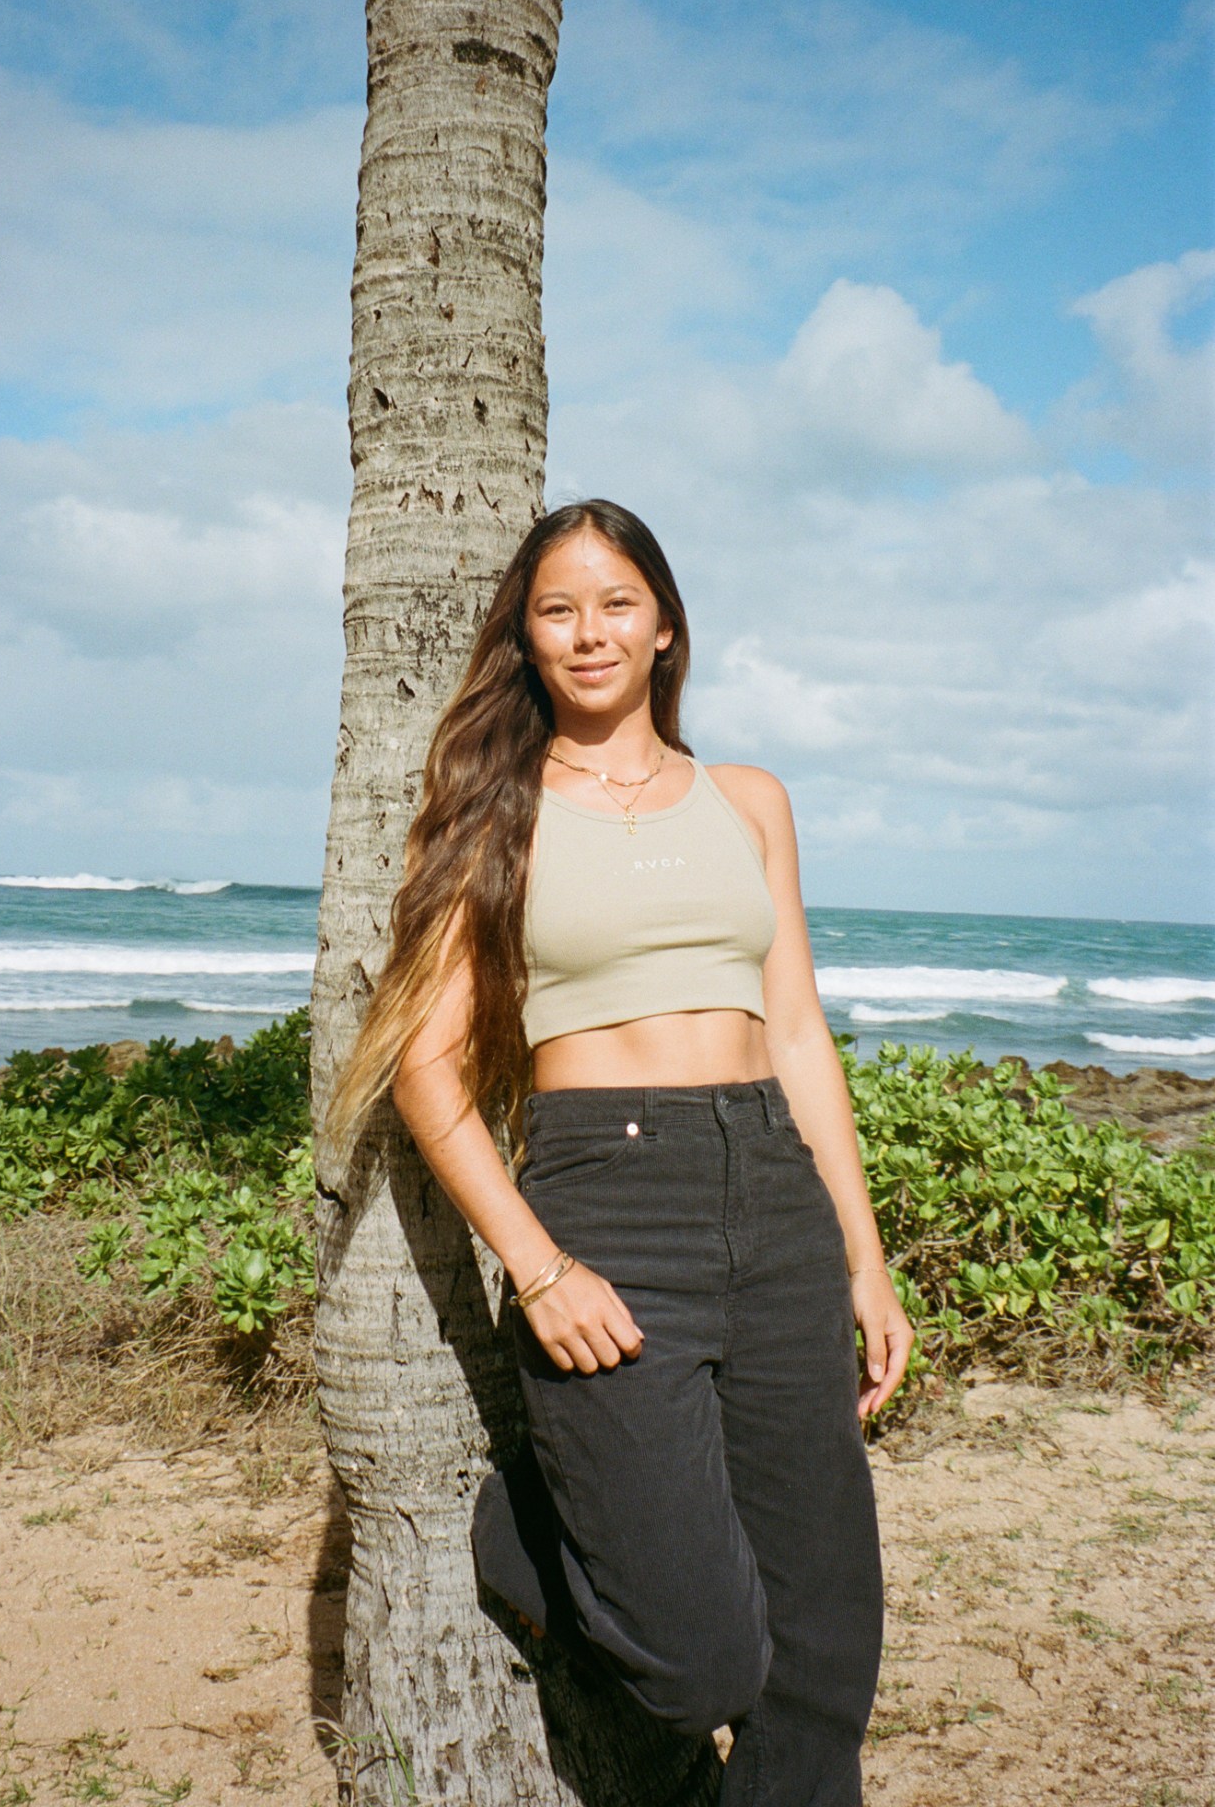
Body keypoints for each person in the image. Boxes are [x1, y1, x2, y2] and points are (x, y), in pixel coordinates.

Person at [328, 498, 914, 1805]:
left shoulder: (749, 799)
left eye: (614, 603)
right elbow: (425, 1066)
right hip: (609, 1197)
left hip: (771, 1187)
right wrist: (537, 1268)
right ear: (526, 642)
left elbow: (800, 1033)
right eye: (556, 609)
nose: (588, 631)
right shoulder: (495, 812)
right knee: (703, 1669)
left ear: (662, 627)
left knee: (823, 1668)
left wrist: (863, 1262)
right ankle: (532, 1524)